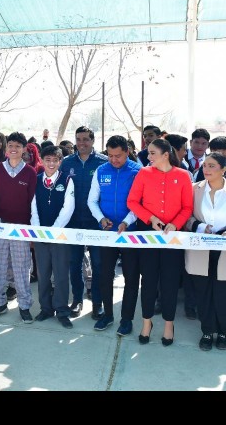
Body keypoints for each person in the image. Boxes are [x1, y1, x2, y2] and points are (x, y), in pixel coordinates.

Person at [126, 137, 194, 346]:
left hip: (173, 235)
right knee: (148, 279)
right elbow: (132, 202)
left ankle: (168, 324)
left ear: (166, 155)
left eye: (152, 153)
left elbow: (187, 207)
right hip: (148, 233)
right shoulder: (143, 173)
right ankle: (146, 322)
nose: (149, 156)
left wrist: (176, 224)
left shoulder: (183, 175)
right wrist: (150, 219)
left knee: (170, 281)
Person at [184, 153, 226, 351]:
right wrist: (199, 226)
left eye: (212, 166)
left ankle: (223, 333)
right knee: (203, 293)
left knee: (225, 294)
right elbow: (185, 215)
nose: (206, 169)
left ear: (224, 170)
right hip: (200, 249)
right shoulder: (194, 189)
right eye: (205, 165)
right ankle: (206, 331)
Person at [87, 135, 142, 336]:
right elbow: (92, 200)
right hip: (107, 233)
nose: (113, 160)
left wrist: (127, 221)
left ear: (127, 152)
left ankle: (126, 320)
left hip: (130, 234)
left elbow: (140, 203)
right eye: (110, 155)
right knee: (104, 275)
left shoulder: (138, 171)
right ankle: (108, 315)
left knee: (131, 277)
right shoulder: (101, 171)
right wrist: (101, 218)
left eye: (118, 155)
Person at [0, 132, 37, 323]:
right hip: (0, 226)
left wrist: (31, 230)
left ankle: (24, 305)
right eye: (10, 145)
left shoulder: (30, 172)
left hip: (21, 228)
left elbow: (33, 203)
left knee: (21, 267)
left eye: (18, 146)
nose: (13, 149)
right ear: (6, 148)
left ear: (24, 149)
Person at [58, 126, 108, 319]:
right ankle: (77, 300)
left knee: (98, 264)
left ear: (93, 141)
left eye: (86, 139)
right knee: (74, 263)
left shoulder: (103, 162)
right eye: (78, 139)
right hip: (73, 222)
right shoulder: (66, 163)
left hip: (96, 222)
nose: (81, 143)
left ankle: (97, 303)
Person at [31, 145, 75, 329]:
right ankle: (46, 308)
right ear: (41, 160)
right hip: (41, 235)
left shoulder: (67, 180)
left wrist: (54, 231)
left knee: (61, 274)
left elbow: (68, 208)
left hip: (60, 236)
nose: (51, 164)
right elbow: (33, 206)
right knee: (43, 274)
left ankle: (62, 310)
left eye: (55, 160)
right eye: (47, 160)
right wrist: (38, 230)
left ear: (60, 161)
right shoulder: (36, 179)